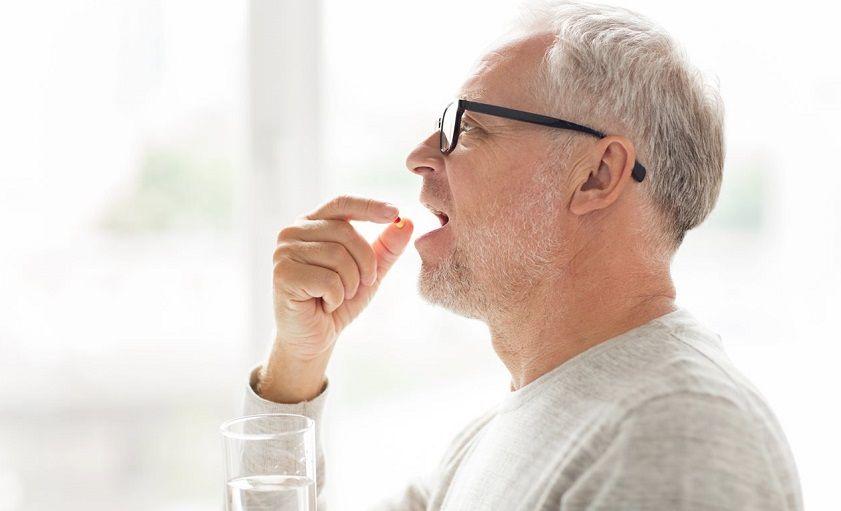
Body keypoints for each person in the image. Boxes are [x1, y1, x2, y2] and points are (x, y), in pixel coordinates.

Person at [243, 1, 803, 509]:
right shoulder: (504, 433)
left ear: (596, 175)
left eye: (469, 127)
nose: (418, 157)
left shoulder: (677, 432)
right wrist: (297, 359)